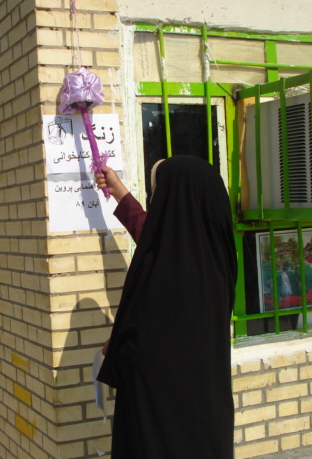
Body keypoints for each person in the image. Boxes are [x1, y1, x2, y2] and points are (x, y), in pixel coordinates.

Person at [95, 155, 237, 459]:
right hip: (206, 414)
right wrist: (120, 193)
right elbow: (157, 237)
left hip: (161, 414)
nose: (156, 203)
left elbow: (145, 341)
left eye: (159, 194)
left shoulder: (170, 273)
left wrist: (117, 346)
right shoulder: (215, 255)